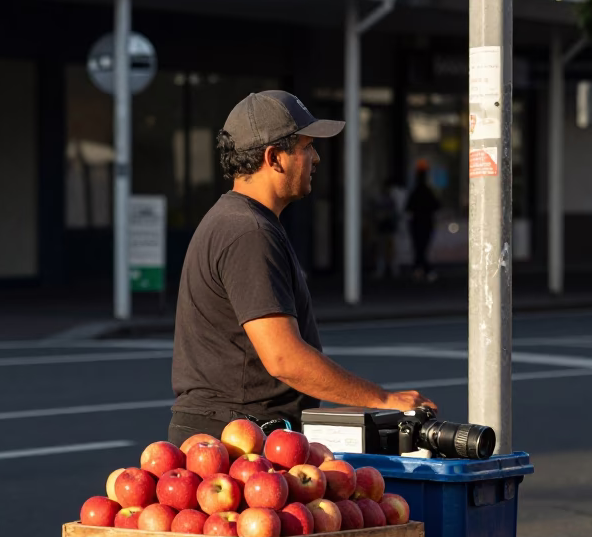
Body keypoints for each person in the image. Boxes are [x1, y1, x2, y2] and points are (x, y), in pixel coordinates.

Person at [169, 89, 437, 445]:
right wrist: (382, 399)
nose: (317, 158)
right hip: (234, 440)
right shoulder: (249, 232)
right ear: (274, 157)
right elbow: (283, 357)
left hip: (232, 431)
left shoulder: (236, 220)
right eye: (307, 146)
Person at [406, 159, 440, 281]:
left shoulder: (416, 192)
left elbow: (408, 208)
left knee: (419, 248)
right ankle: (424, 269)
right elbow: (436, 205)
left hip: (418, 223)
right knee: (422, 248)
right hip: (425, 223)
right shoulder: (426, 191)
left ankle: (420, 269)